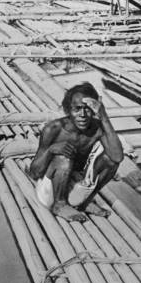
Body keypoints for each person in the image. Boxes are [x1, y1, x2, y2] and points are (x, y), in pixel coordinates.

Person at [29, 83, 123, 222]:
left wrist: (103, 116)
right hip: (49, 192)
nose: (83, 115)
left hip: (74, 186)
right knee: (63, 157)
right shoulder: (54, 129)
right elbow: (34, 173)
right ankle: (60, 205)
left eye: (88, 109)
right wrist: (51, 151)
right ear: (68, 110)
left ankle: (85, 203)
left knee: (110, 161)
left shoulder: (96, 127)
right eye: (77, 109)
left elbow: (117, 157)